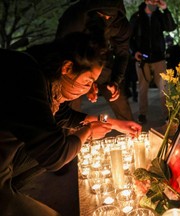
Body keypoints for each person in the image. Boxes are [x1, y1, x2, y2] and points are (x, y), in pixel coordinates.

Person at [0, 32, 142, 216]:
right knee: (64, 146)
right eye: (87, 82)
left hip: (5, 162)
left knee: (63, 139)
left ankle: (12, 194)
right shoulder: (26, 75)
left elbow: (64, 117)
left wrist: (114, 124)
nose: (88, 91)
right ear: (67, 67)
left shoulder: (42, 76)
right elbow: (55, 155)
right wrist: (88, 131)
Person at [56, 0, 134, 120]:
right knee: (70, 109)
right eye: (101, 15)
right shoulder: (75, 17)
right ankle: (70, 136)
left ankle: (131, 133)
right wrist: (87, 82)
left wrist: (116, 80)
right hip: (75, 68)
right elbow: (61, 48)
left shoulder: (121, 24)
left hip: (103, 68)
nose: (106, 19)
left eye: (110, 17)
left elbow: (122, 54)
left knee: (121, 103)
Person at [129, 0, 177, 124]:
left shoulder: (159, 16)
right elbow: (128, 38)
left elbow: (171, 27)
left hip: (158, 58)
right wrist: (134, 52)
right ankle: (142, 114)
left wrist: (165, 9)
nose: (154, 3)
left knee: (163, 86)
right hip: (142, 59)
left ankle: (168, 114)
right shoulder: (137, 17)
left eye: (156, 1)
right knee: (143, 87)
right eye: (152, 0)